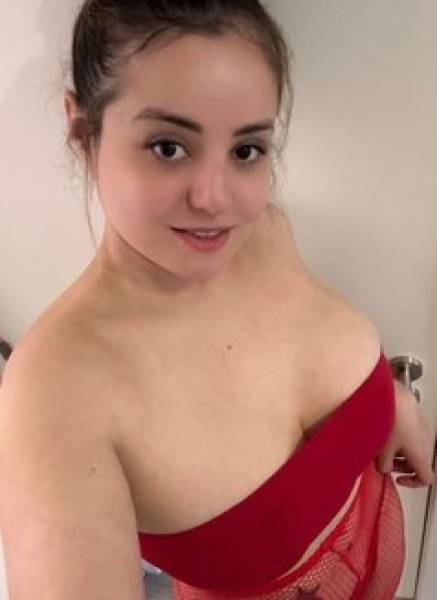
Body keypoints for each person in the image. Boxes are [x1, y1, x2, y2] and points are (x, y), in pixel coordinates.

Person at [0, 1, 434, 599]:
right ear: (83, 133)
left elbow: (306, 357)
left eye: (246, 150)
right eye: (168, 147)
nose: (215, 200)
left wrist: (386, 400)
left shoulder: (265, 232)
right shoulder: (54, 396)